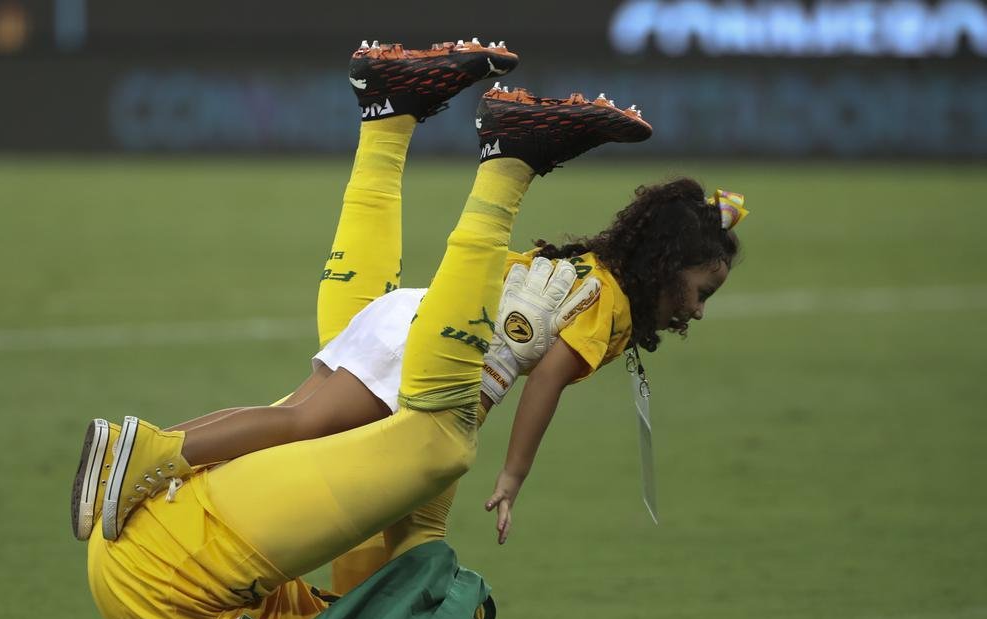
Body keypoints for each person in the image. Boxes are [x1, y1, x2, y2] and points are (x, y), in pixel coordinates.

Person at [49, 39, 640, 619]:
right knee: (374, 404)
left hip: (178, 582)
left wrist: (494, 364)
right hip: (171, 573)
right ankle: (388, 115)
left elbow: (434, 590)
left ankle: (507, 163)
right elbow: (401, 573)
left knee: (437, 445)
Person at [70, 40, 746, 548]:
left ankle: (148, 455)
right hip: (432, 353)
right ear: (665, 266)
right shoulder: (612, 308)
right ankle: (153, 455)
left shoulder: (586, 264)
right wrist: (513, 477)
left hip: (409, 315)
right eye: (697, 288)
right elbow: (545, 386)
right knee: (302, 427)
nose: (697, 307)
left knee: (297, 420)